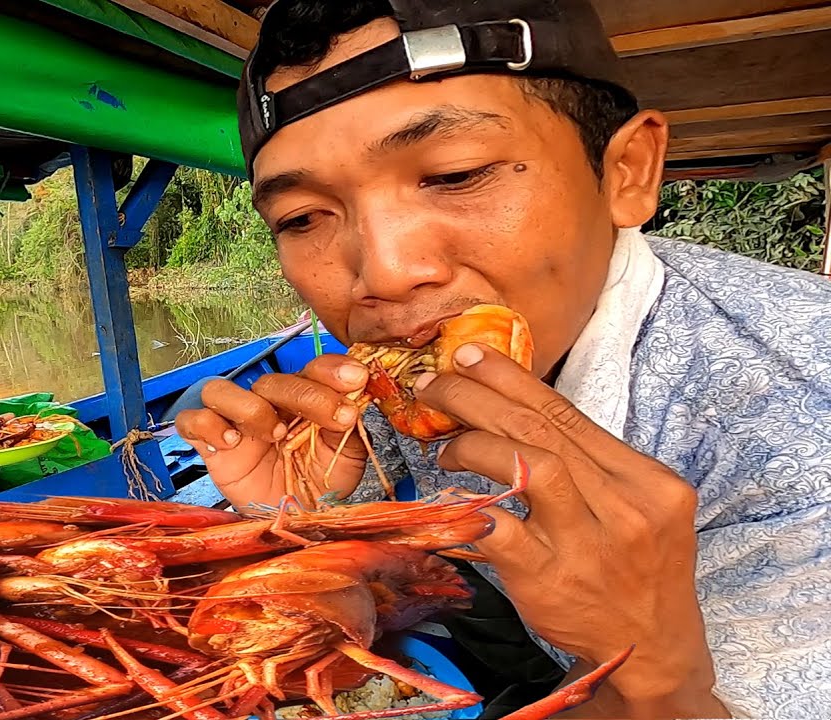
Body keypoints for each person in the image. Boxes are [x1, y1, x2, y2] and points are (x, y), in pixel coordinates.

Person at [175, 1, 830, 717]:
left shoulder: (800, 417)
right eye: (302, 219)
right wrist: (311, 521)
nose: (385, 274)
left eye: (455, 175)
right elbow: (417, 577)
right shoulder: (398, 375)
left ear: (627, 172)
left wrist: (661, 682)